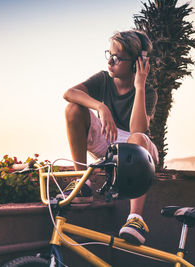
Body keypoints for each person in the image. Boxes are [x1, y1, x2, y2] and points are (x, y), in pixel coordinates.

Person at [62, 30, 159, 245]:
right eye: (109, 54)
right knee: (73, 109)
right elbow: (69, 93)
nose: (110, 61)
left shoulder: (148, 92)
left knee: (138, 139)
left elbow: (138, 129)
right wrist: (100, 106)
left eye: (117, 58)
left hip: (138, 152)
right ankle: (81, 182)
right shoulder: (103, 80)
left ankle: (135, 219)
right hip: (108, 141)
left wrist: (139, 86)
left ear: (135, 64)